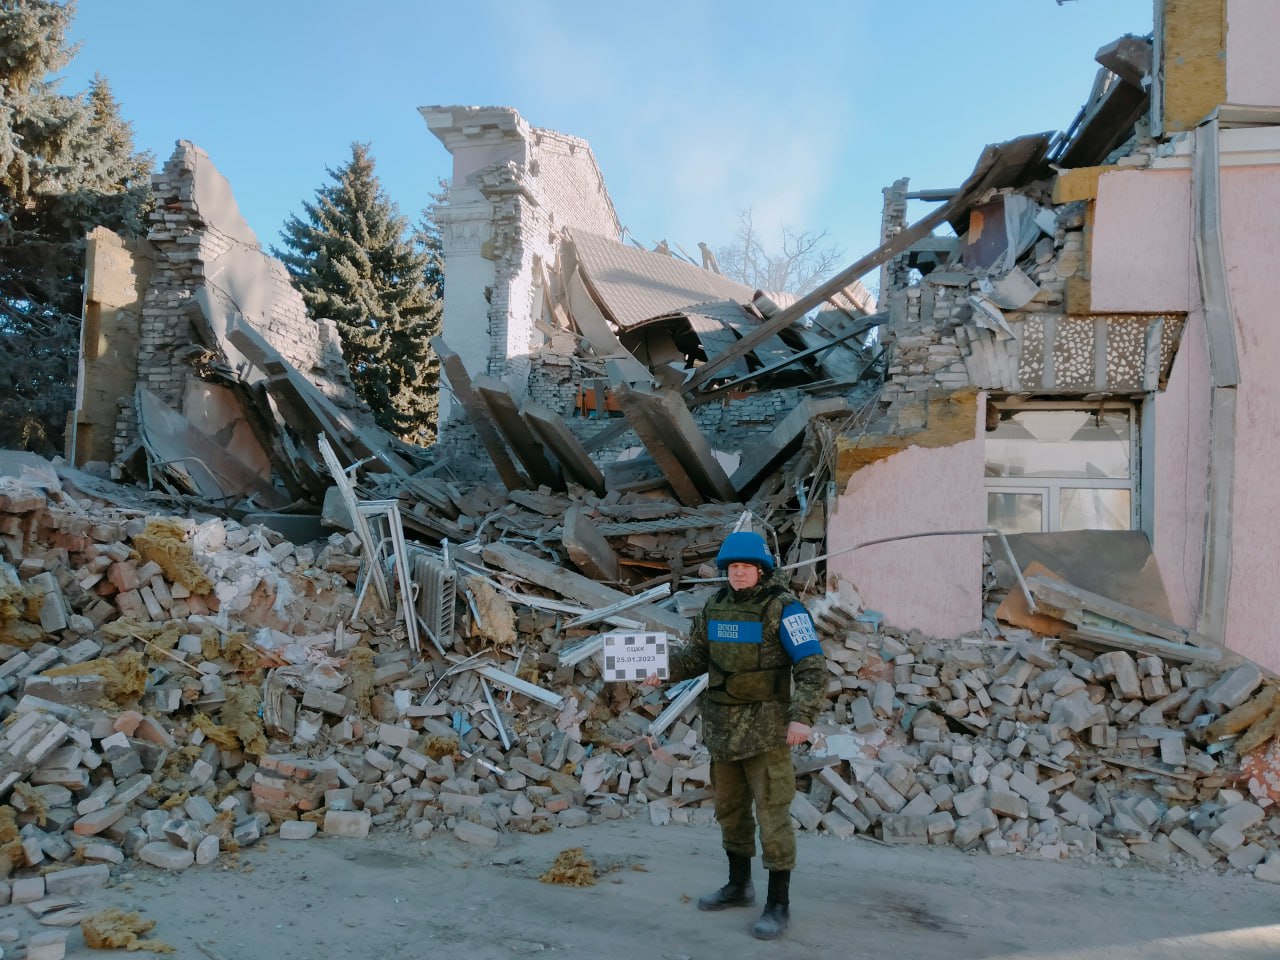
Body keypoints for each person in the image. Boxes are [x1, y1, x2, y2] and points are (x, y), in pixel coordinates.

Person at [645, 530, 825, 940]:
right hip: (723, 729)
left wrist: (802, 718)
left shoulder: (785, 608)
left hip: (766, 732)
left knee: (772, 814)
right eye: (733, 567)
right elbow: (695, 656)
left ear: (762, 569)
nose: (739, 573)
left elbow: (812, 665)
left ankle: (778, 904)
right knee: (730, 810)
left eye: (746, 567)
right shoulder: (716, 606)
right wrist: (661, 671)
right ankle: (738, 885)